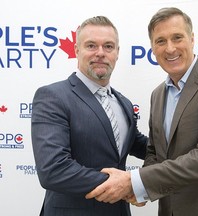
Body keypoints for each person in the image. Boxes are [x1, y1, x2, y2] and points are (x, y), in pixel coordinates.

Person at [85, 7, 198, 216]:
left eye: (177, 37)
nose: (170, 48)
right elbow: (155, 152)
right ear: (152, 48)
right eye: (161, 41)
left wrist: (135, 181)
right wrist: (140, 191)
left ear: (192, 39)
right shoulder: (158, 94)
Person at [31, 16, 148, 216]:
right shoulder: (53, 96)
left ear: (117, 53)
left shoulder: (125, 103)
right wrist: (127, 186)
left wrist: (184, 151)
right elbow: (53, 170)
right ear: (77, 50)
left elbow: (139, 145)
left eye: (108, 46)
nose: (100, 53)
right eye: (91, 45)